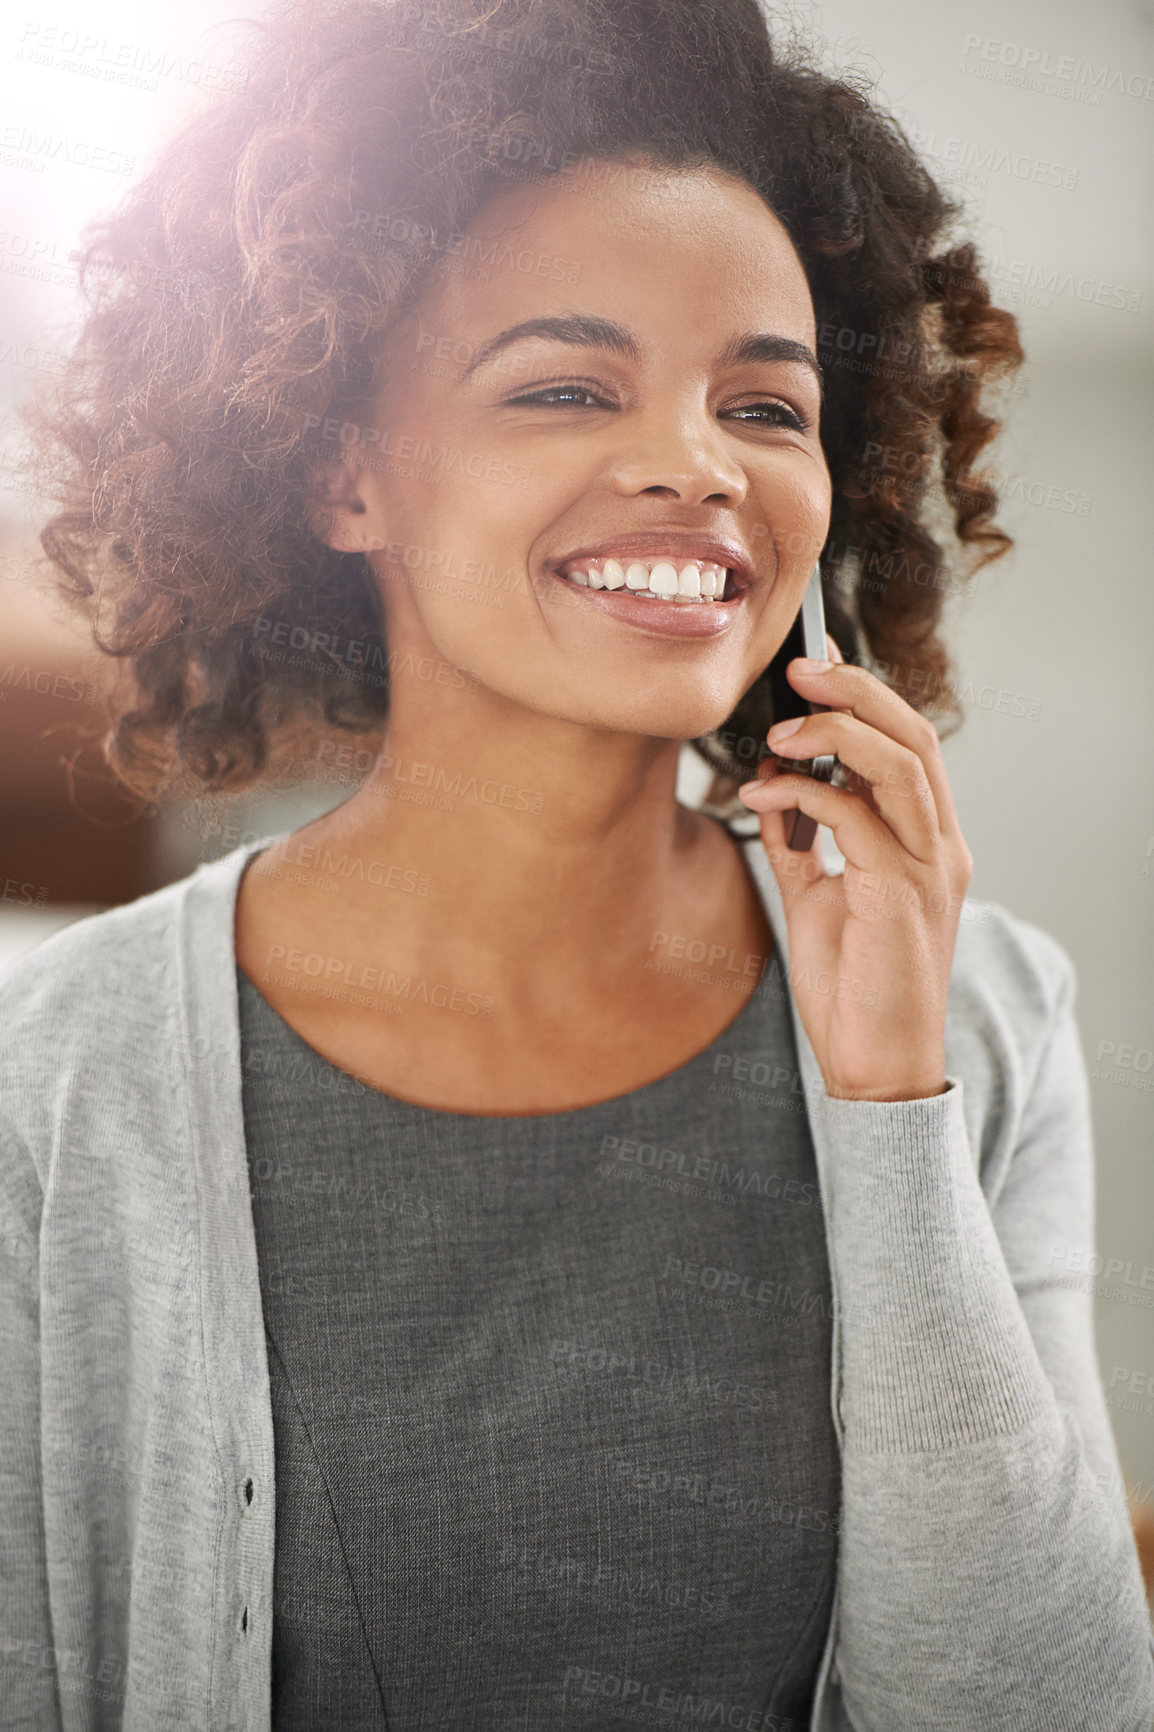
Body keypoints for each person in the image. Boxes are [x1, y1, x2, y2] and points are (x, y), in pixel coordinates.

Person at [4, 0, 1152, 1727]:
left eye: (763, 403)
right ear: (340, 474)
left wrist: (888, 1101)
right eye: (563, 385)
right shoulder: (55, 1079)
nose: (696, 467)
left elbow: (1042, 1705)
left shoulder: (981, 1013)